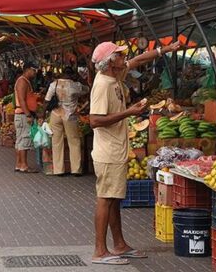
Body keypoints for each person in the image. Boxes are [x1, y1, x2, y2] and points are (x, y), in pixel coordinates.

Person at [89, 41, 179, 265]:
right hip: (107, 152)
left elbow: (138, 60)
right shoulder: (103, 85)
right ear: (110, 62)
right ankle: (100, 250)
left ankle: (119, 244)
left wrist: (163, 50)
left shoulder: (115, 76)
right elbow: (94, 120)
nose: (124, 59)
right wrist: (128, 112)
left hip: (116, 150)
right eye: (119, 56)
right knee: (105, 199)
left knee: (113, 200)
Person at [43, 66, 89, 176]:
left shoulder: (54, 84)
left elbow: (46, 100)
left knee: (56, 141)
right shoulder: (75, 85)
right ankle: (76, 169)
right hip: (70, 115)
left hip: (55, 114)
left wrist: (43, 115)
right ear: (72, 74)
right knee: (74, 141)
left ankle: (59, 170)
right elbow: (87, 89)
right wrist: (79, 78)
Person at [14, 62, 39, 173]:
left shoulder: (24, 81)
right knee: (24, 139)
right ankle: (23, 165)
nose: (35, 72)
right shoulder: (22, 81)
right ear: (28, 69)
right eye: (34, 69)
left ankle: (19, 164)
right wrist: (28, 114)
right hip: (23, 115)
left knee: (20, 140)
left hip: (22, 114)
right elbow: (22, 99)